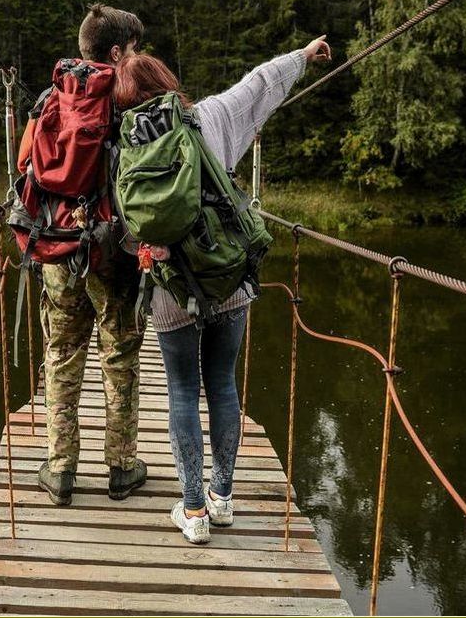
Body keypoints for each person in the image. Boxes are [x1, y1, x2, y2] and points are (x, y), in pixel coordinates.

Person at [112, 35, 331, 543]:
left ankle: (192, 512)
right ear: (169, 85)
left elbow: (124, 224)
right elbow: (260, 85)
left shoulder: (122, 147)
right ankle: (224, 498)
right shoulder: (211, 115)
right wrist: (301, 56)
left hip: (169, 290)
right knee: (224, 384)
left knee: (182, 391)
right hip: (229, 275)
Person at [29, 4, 149, 506]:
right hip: (110, 249)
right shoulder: (129, 103)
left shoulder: (49, 99)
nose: (139, 57)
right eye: (135, 49)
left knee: (61, 351)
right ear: (117, 52)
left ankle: (60, 470)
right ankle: (122, 467)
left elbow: (27, 172)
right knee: (118, 351)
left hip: (58, 248)